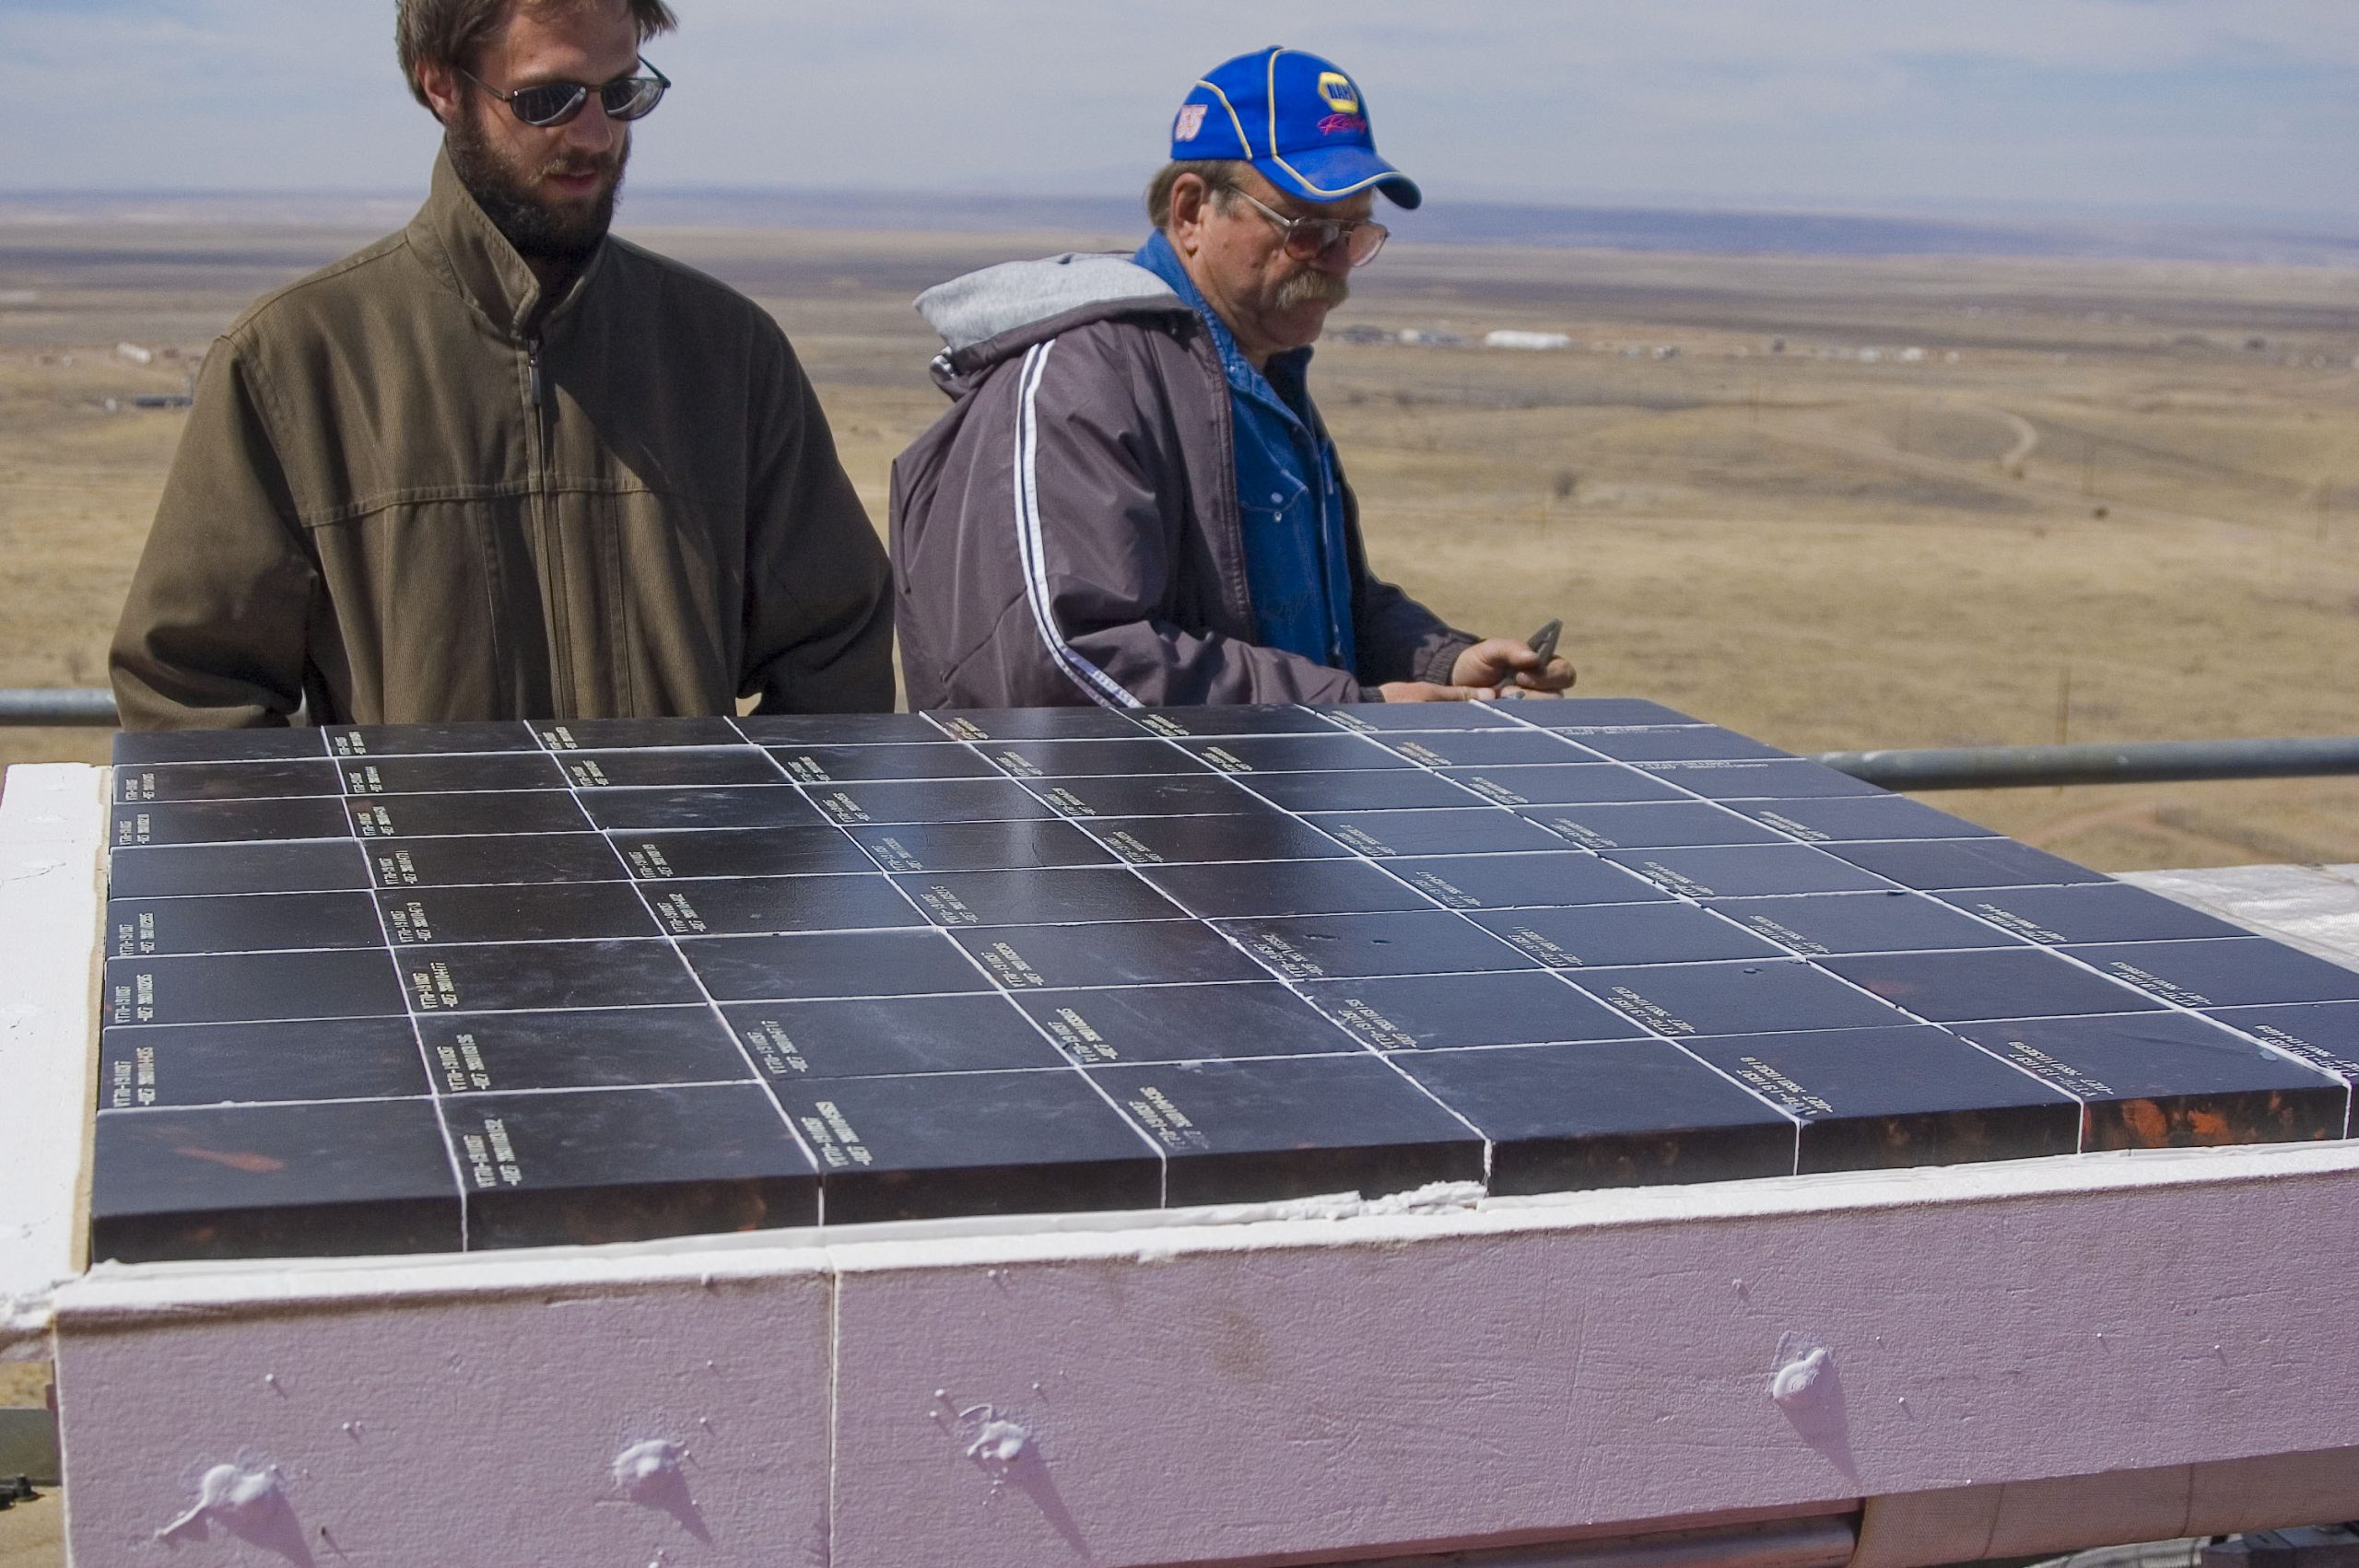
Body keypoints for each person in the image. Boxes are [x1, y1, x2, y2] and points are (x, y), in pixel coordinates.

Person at [110, 0, 892, 730]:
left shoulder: (728, 355)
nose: (596, 136)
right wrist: (348, 865)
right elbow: (192, 694)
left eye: (621, 94)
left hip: (682, 879)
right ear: (442, 84)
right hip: (420, 881)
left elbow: (835, 648)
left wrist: (753, 844)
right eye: (548, 99)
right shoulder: (295, 364)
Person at [889, 46, 1575, 709]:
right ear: (1192, 212)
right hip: (1101, 823)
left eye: (1356, 234)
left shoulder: (1257, 372)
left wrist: (1437, 660)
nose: (1333, 263)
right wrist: (1352, 707)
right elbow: (1072, 660)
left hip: (1238, 813)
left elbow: (1320, 606)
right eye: (1306, 229)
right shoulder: (1083, 376)